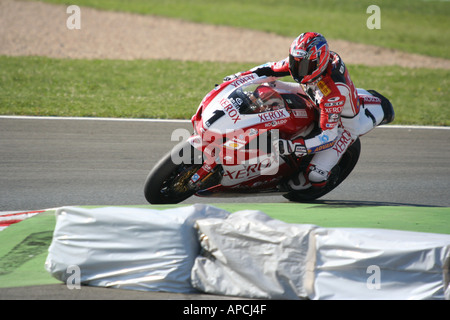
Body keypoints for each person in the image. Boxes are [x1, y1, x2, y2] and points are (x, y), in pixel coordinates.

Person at [224, 32, 392, 190]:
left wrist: (289, 146)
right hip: (312, 94)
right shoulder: (305, 60)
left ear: (319, 62)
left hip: (342, 125)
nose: (297, 69)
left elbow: (328, 136)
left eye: (303, 65)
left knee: (315, 176)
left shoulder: (332, 93)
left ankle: (320, 177)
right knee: (268, 87)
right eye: (294, 62)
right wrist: (238, 78)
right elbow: (269, 69)